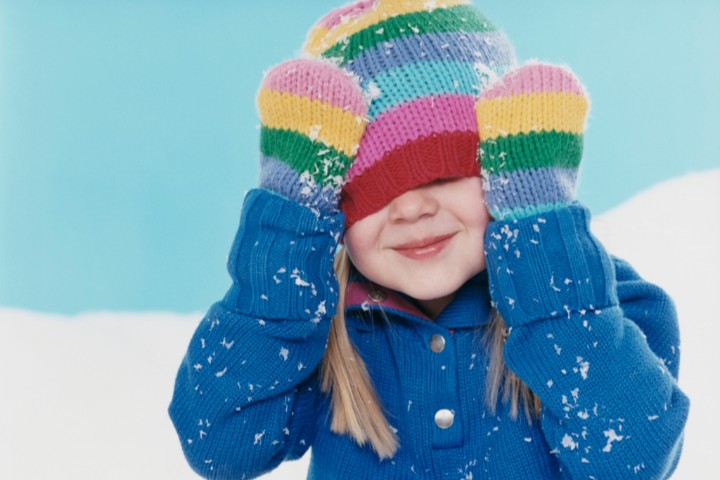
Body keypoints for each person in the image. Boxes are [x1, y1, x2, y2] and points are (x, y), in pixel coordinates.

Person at [169, 1, 689, 478]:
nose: (413, 207)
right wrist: (288, 220)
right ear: (330, 205)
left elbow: (634, 461)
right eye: (371, 190)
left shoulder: (601, 306)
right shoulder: (321, 327)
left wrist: (540, 233)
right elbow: (218, 443)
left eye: (443, 173)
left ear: (506, 173)